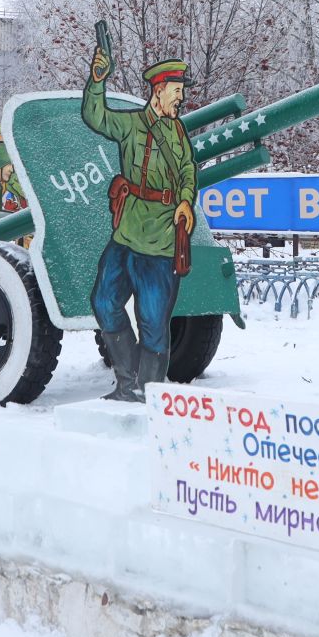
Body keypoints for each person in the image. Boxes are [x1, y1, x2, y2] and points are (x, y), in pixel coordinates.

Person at [83, 46, 196, 401]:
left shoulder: (177, 132)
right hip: (126, 234)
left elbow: (189, 170)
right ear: (159, 90)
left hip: (161, 242)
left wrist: (185, 201)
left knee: (152, 323)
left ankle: (148, 393)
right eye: (177, 92)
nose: (181, 99)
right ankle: (126, 382)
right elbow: (95, 117)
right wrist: (97, 82)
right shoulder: (131, 124)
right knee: (103, 302)